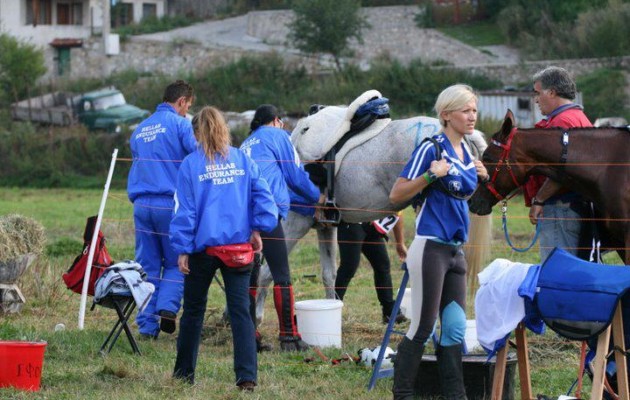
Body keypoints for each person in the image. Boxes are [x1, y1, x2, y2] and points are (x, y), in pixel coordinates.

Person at [388, 84, 489, 400]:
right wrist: (431, 176)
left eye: (474, 110)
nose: (472, 116)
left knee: (456, 329)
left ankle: (455, 395)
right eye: (465, 110)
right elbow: (396, 195)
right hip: (430, 248)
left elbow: (465, 198)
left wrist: (483, 176)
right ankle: (403, 394)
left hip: (456, 252)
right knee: (421, 326)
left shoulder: (469, 152)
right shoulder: (431, 148)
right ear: (446, 115)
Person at [170, 106, 278, 390]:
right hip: (239, 249)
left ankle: (184, 375)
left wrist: (182, 248)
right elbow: (264, 195)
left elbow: (185, 211)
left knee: (193, 310)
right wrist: (257, 228)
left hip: (201, 251)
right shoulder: (243, 159)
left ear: (196, 133)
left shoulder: (190, 165)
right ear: (223, 128)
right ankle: (247, 378)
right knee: (242, 311)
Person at [240, 104, 325, 352]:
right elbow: (295, 175)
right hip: (267, 211)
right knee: (281, 275)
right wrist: (316, 197)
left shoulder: (246, 143)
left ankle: (249, 336)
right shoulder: (279, 136)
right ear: (276, 121)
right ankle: (289, 337)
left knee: (250, 275)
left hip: (242, 214)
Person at [127, 80, 196, 339]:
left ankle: (146, 325)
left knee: (147, 265)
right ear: (181, 102)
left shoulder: (140, 129)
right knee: (178, 261)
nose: (187, 111)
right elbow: (198, 155)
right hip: (170, 204)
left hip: (142, 205)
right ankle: (167, 308)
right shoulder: (180, 125)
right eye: (187, 106)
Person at [525, 66, 593, 262]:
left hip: (560, 208)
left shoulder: (561, 123)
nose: (536, 100)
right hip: (575, 206)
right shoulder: (579, 117)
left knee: (556, 272)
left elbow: (562, 171)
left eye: (538, 93)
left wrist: (539, 200)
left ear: (552, 92)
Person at [334, 214, 408, 324]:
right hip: (353, 220)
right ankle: (332, 308)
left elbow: (398, 215)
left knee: (382, 264)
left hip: (372, 224)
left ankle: (389, 310)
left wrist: (400, 243)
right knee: (349, 267)